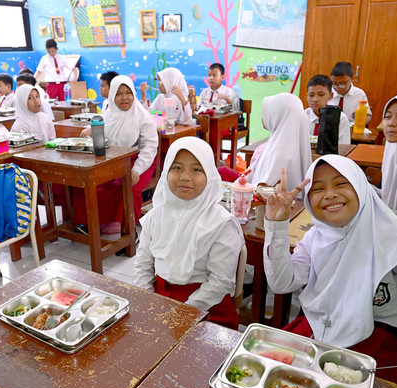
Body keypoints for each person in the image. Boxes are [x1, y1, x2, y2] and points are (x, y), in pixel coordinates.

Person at [263, 156, 397, 385]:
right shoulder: (314, 238)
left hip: (376, 345)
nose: (330, 194)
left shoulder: (392, 236)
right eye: (317, 189)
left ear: (360, 186)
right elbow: (281, 283)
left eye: (341, 184)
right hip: (316, 330)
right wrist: (277, 226)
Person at [133, 137, 244, 329]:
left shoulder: (222, 224)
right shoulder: (156, 215)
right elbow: (142, 266)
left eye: (196, 169)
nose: (185, 177)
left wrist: (183, 313)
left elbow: (220, 282)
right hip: (159, 299)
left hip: (207, 309)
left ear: (209, 175)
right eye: (177, 168)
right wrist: (146, 301)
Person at [77, 76, 158, 234]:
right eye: (119, 94)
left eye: (128, 92)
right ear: (113, 95)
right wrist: (91, 131)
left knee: (128, 186)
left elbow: (149, 148)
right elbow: (105, 136)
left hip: (140, 161)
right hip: (114, 160)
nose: (124, 98)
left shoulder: (143, 117)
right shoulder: (109, 114)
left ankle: (129, 229)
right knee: (92, 182)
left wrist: (136, 170)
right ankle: (96, 224)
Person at [245, 93, 312, 190]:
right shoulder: (278, 142)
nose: (262, 118)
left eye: (266, 113)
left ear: (277, 115)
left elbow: (265, 187)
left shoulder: (282, 152)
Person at [305, 74, 351, 145]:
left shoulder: (340, 118)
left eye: (321, 95)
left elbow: (344, 146)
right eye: (311, 95)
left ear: (330, 96)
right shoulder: (302, 116)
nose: (315, 99)